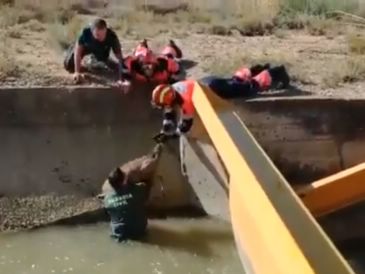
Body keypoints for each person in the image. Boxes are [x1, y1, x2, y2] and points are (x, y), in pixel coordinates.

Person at [150, 64, 290, 138]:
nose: (164, 107)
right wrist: (166, 126)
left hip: (215, 89)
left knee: (249, 88)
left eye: (162, 104)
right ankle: (254, 69)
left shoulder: (185, 101)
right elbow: (169, 108)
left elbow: (186, 125)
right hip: (206, 82)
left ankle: (277, 73)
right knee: (235, 82)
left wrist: (174, 134)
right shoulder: (173, 88)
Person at [99, 144, 163, 242]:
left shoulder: (107, 200)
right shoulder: (137, 191)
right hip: (139, 233)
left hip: (118, 234)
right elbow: (147, 186)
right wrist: (158, 155)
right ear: (123, 181)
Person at [63, 18, 130, 92]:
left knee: (105, 67)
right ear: (92, 32)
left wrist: (121, 79)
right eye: (98, 35)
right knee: (68, 64)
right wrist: (77, 72)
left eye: (103, 35)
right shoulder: (85, 32)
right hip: (86, 46)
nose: (101, 37)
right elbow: (78, 52)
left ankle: (97, 61)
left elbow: (119, 58)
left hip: (102, 49)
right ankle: (84, 65)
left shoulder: (112, 36)